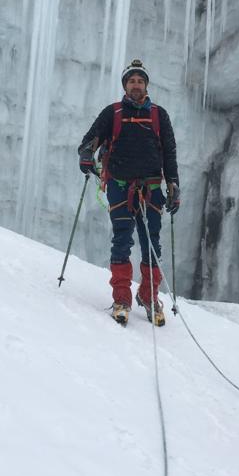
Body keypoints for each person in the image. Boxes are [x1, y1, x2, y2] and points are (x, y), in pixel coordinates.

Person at [78, 59, 180, 327]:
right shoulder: (112, 113)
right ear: (125, 85)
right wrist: (87, 154)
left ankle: (149, 296)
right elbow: (90, 139)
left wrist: (174, 184)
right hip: (120, 185)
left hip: (152, 187)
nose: (136, 85)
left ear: (146, 85)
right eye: (132, 81)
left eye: (140, 81)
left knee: (151, 244)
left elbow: (169, 153)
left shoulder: (159, 115)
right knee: (122, 240)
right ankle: (122, 297)